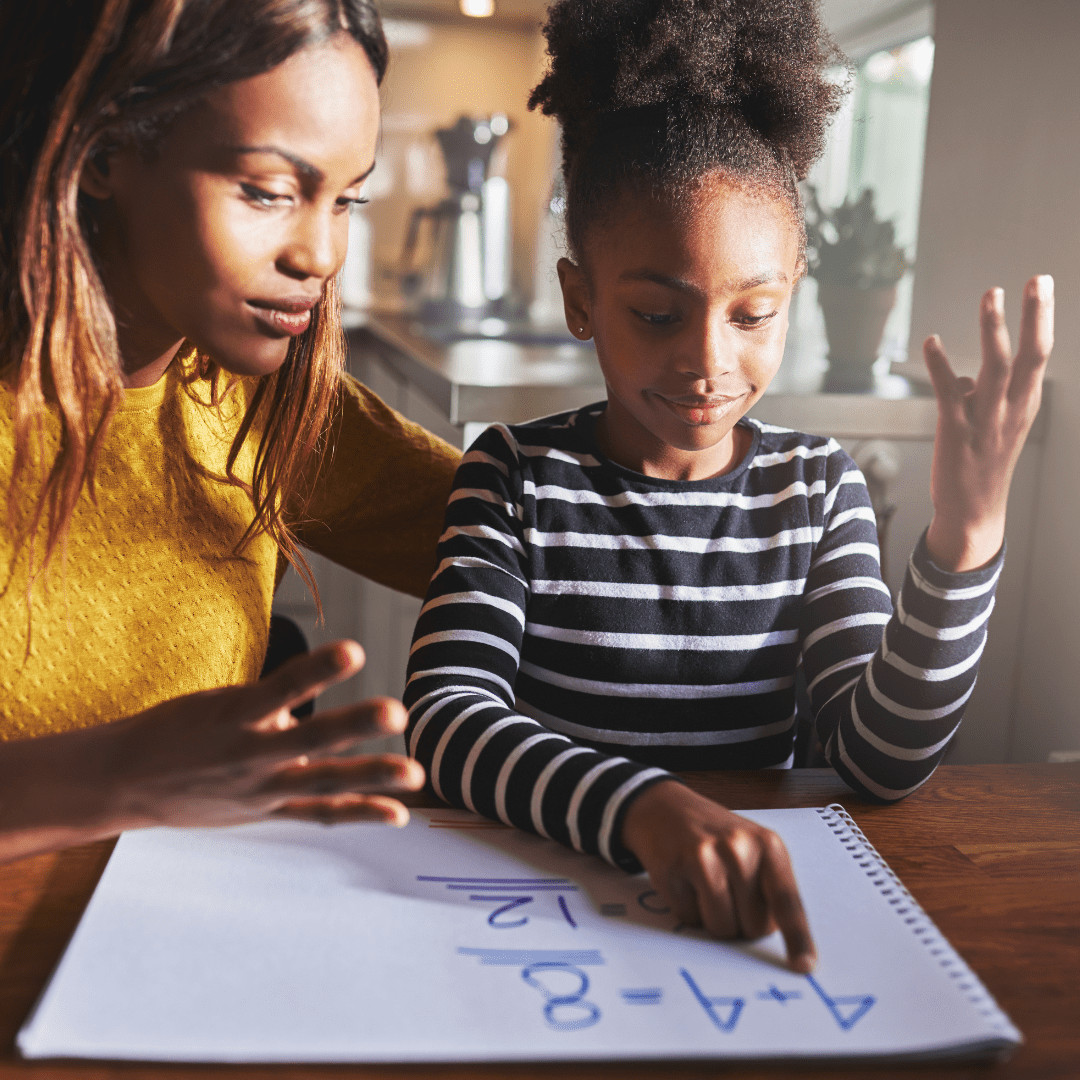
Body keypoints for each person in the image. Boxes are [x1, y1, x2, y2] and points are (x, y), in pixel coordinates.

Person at [404, 0, 1053, 973]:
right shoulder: (515, 477)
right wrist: (642, 807)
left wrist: (966, 540)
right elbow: (447, 718)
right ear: (582, 299)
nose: (709, 361)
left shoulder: (818, 490)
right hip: (544, 920)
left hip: (735, 935)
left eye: (753, 313)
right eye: (658, 314)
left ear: (793, 288)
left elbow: (879, 761)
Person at [0, 0, 464, 862]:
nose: (320, 255)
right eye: (271, 192)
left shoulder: (254, 400)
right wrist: (119, 776)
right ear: (103, 156)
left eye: (346, 201)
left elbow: (536, 545)